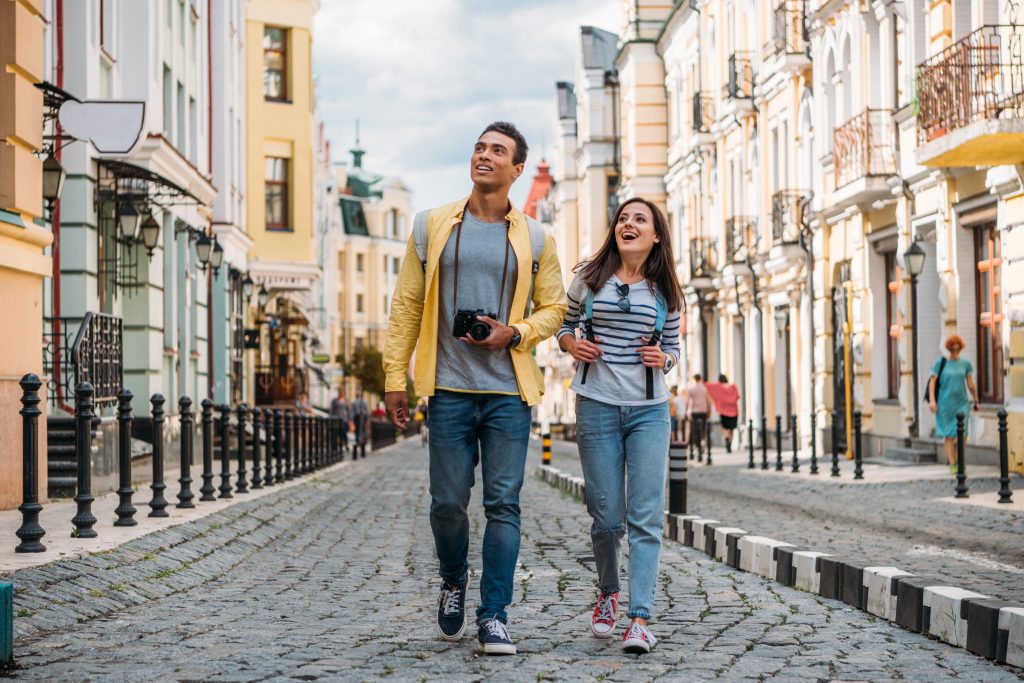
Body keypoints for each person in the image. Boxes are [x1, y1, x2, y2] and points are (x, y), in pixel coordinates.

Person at [382, 121, 567, 655]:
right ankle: (452, 578)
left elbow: (554, 308)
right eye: (480, 147)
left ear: (516, 170)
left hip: (509, 392)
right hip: (448, 389)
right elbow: (407, 306)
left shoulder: (536, 237)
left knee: (503, 504)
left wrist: (517, 332)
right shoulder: (431, 225)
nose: (485, 155)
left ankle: (494, 615)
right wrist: (397, 377)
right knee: (446, 503)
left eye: (498, 151)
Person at [557, 197, 682, 654]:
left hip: (649, 410)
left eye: (639, 220)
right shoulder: (589, 280)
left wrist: (664, 358)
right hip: (597, 405)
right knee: (606, 518)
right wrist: (572, 343)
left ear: (655, 236)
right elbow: (563, 326)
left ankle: (640, 617)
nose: (628, 224)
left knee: (646, 517)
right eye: (623, 219)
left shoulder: (665, 290)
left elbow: (673, 347)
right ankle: (608, 593)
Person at [927, 335, 979, 473]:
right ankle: (953, 463)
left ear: (960, 347)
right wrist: (932, 401)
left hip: (962, 402)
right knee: (949, 434)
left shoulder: (965, 364)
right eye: (952, 347)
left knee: (963, 433)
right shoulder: (941, 363)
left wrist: (976, 399)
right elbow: (932, 383)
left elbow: (970, 384)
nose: (955, 349)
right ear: (949, 348)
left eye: (957, 346)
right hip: (945, 403)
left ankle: (960, 459)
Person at [706, 375, 741, 452]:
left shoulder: (718, 387)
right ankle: (730, 443)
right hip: (733, 411)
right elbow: (737, 396)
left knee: (725, 428)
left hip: (723, 411)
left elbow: (708, 386)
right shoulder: (733, 387)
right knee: (731, 429)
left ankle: (726, 437)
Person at [687, 374, 710, 458]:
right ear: (701, 379)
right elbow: (708, 401)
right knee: (703, 429)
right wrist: (709, 411)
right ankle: (703, 441)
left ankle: (697, 447)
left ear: (694, 379)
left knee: (695, 430)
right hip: (703, 411)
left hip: (695, 412)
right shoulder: (704, 389)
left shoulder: (692, 389)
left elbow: (688, 401)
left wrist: (687, 412)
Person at [351, 391, 369, 455]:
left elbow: (352, 411)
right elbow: (367, 411)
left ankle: (358, 440)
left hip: (358, 417)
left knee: (358, 430)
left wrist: (352, 419)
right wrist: (367, 418)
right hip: (362, 417)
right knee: (362, 430)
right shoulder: (364, 401)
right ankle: (361, 440)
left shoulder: (355, 402)